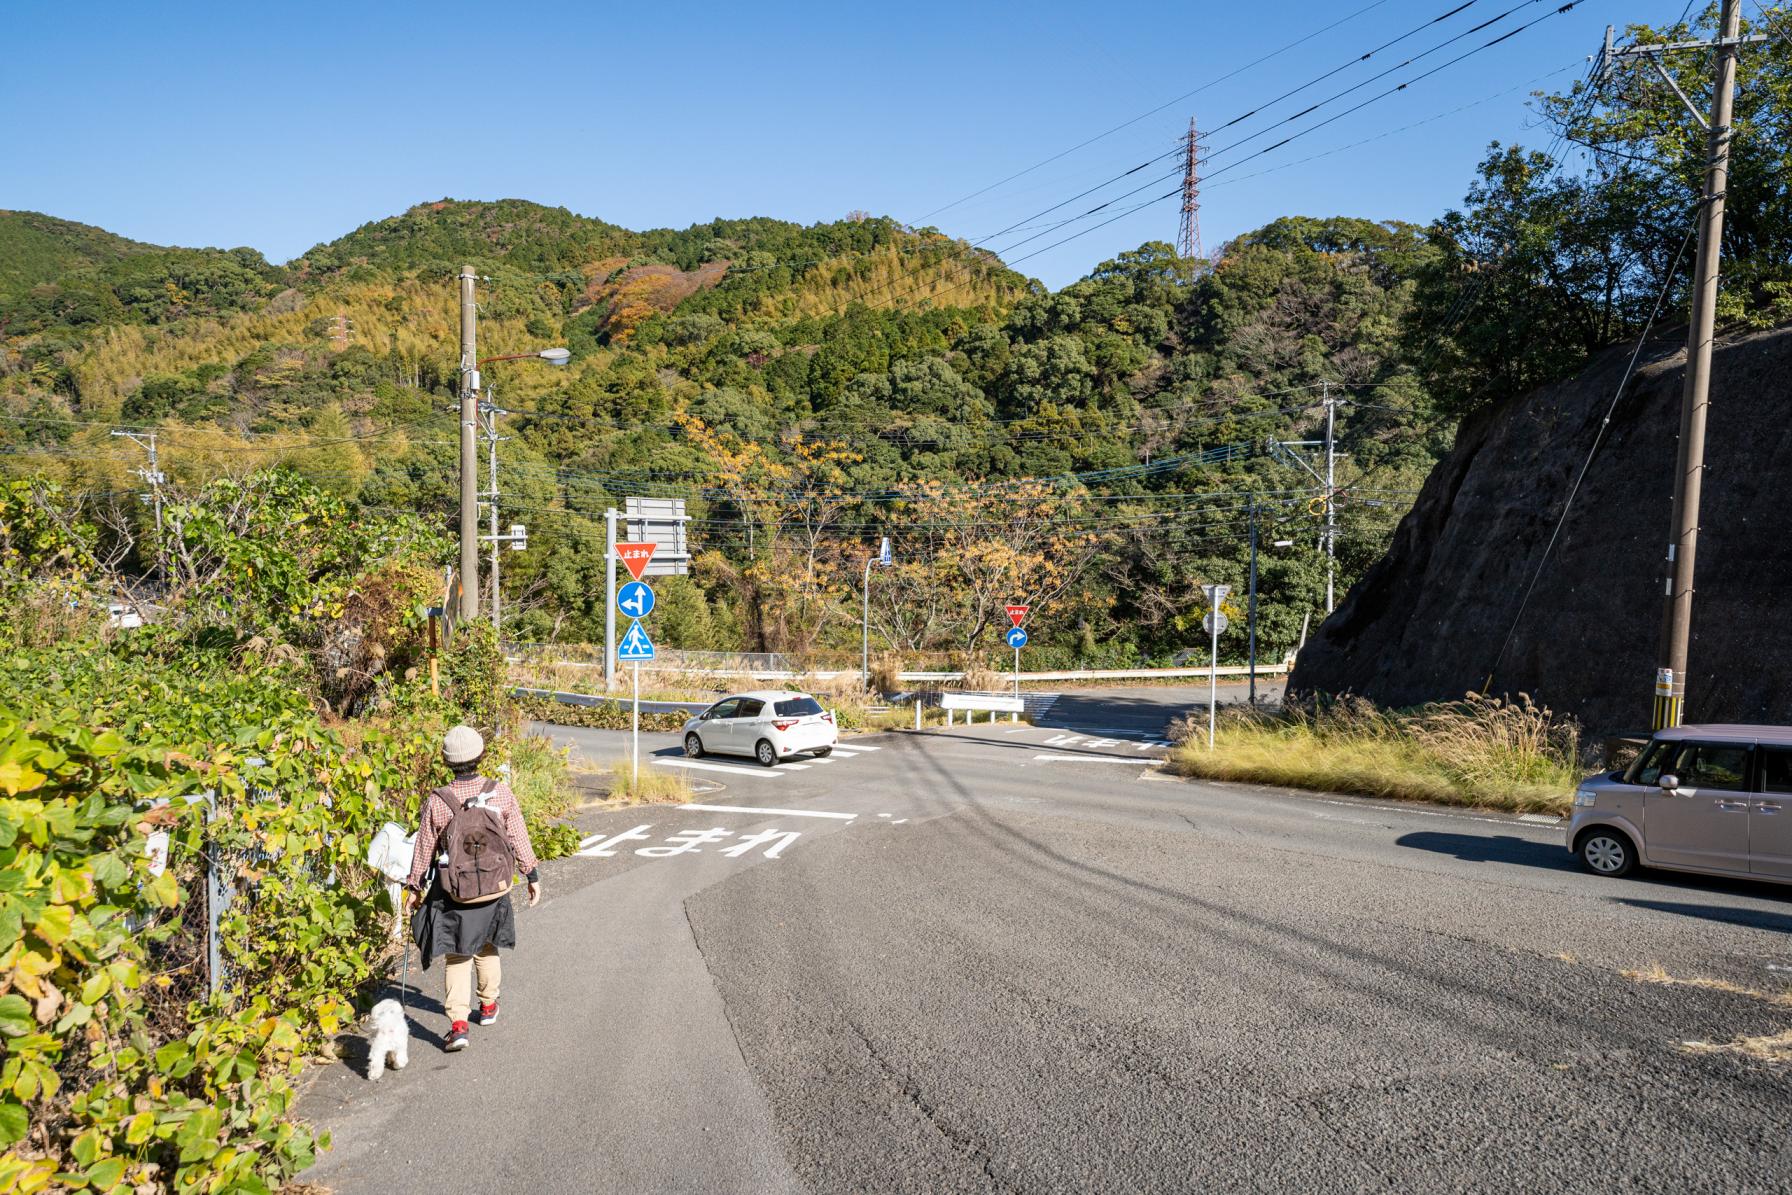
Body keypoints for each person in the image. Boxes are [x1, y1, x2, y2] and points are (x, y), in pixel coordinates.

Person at [405, 725, 541, 1052]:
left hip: (457, 892)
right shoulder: (501, 793)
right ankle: (489, 1006)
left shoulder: (439, 801)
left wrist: (414, 887)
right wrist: (532, 874)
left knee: (458, 953)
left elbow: (424, 847)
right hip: (496, 887)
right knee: (488, 944)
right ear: (481, 756)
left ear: (447, 761)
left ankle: (458, 1025)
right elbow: (518, 837)